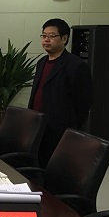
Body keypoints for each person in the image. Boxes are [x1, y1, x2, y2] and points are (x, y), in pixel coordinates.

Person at [28, 18, 93, 167]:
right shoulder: (41, 62)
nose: (46, 40)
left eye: (51, 36)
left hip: (59, 129)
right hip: (38, 125)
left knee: (52, 168)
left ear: (64, 38)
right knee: (35, 165)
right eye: (44, 36)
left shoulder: (76, 65)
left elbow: (84, 101)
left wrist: (71, 126)